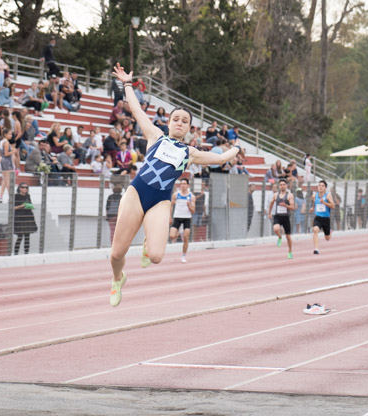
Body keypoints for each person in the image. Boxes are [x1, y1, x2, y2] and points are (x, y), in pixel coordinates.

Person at [108, 63, 239, 306]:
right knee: (116, 254)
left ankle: (148, 242)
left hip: (160, 201)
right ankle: (118, 279)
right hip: (136, 193)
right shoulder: (155, 136)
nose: (179, 122)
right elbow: (135, 109)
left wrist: (237, 148)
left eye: (184, 121)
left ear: (189, 128)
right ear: (169, 122)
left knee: (156, 256)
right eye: (175, 118)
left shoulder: (190, 152)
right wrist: (127, 83)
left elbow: (220, 159)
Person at [170, 177, 195, 263]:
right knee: (172, 236)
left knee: (186, 237)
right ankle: (179, 232)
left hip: (186, 218)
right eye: (181, 184)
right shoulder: (176, 195)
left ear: (188, 185)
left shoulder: (191, 196)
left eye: (184, 184)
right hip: (177, 217)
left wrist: (188, 206)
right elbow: (171, 205)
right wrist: (169, 217)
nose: (182, 186)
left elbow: (193, 211)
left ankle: (183, 256)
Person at [268, 178, 295, 259]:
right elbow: (271, 203)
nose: (282, 186)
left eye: (284, 185)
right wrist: (269, 213)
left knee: (288, 237)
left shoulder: (290, 195)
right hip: (278, 216)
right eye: (281, 185)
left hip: (286, 217)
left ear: (286, 186)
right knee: (276, 229)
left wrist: (286, 205)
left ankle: (290, 251)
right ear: (279, 186)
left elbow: (292, 207)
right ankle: (279, 237)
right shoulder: (276, 195)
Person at [310, 179, 335, 254]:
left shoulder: (328, 196)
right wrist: (313, 208)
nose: (320, 187)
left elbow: (333, 206)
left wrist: (324, 202)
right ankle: (316, 249)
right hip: (318, 217)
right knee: (315, 230)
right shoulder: (314, 195)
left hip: (326, 219)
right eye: (319, 186)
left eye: (322, 186)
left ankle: (329, 232)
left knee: (327, 238)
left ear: (325, 188)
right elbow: (314, 202)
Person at [13, 183, 37, 255]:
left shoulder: (28, 196)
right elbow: (12, 208)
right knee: (20, 236)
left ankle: (26, 253)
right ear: (20, 188)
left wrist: (30, 206)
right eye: (23, 187)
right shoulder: (16, 196)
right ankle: (16, 253)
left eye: (26, 187)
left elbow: (30, 204)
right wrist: (21, 206)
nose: (25, 189)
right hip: (19, 218)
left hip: (28, 217)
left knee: (27, 237)